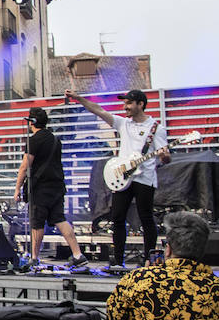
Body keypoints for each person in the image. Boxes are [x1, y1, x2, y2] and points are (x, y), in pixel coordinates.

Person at [68, 89, 172, 269]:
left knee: (146, 217)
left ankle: (149, 259)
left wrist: (164, 156)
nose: (125, 107)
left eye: (129, 104)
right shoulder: (123, 124)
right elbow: (98, 110)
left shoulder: (156, 128)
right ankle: (118, 260)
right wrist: (79, 99)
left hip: (145, 178)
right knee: (117, 217)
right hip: (123, 177)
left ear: (141, 104)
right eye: (125, 104)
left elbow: (166, 156)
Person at [13, 107, 90, 269]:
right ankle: (77, 254)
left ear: (32, 122)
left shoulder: (34, 140)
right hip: (57, 187)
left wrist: (17, 189)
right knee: (60, 219)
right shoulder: (56, 140)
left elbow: (24, 166)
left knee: (37, 223)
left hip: (41, 189)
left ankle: (34, 258)